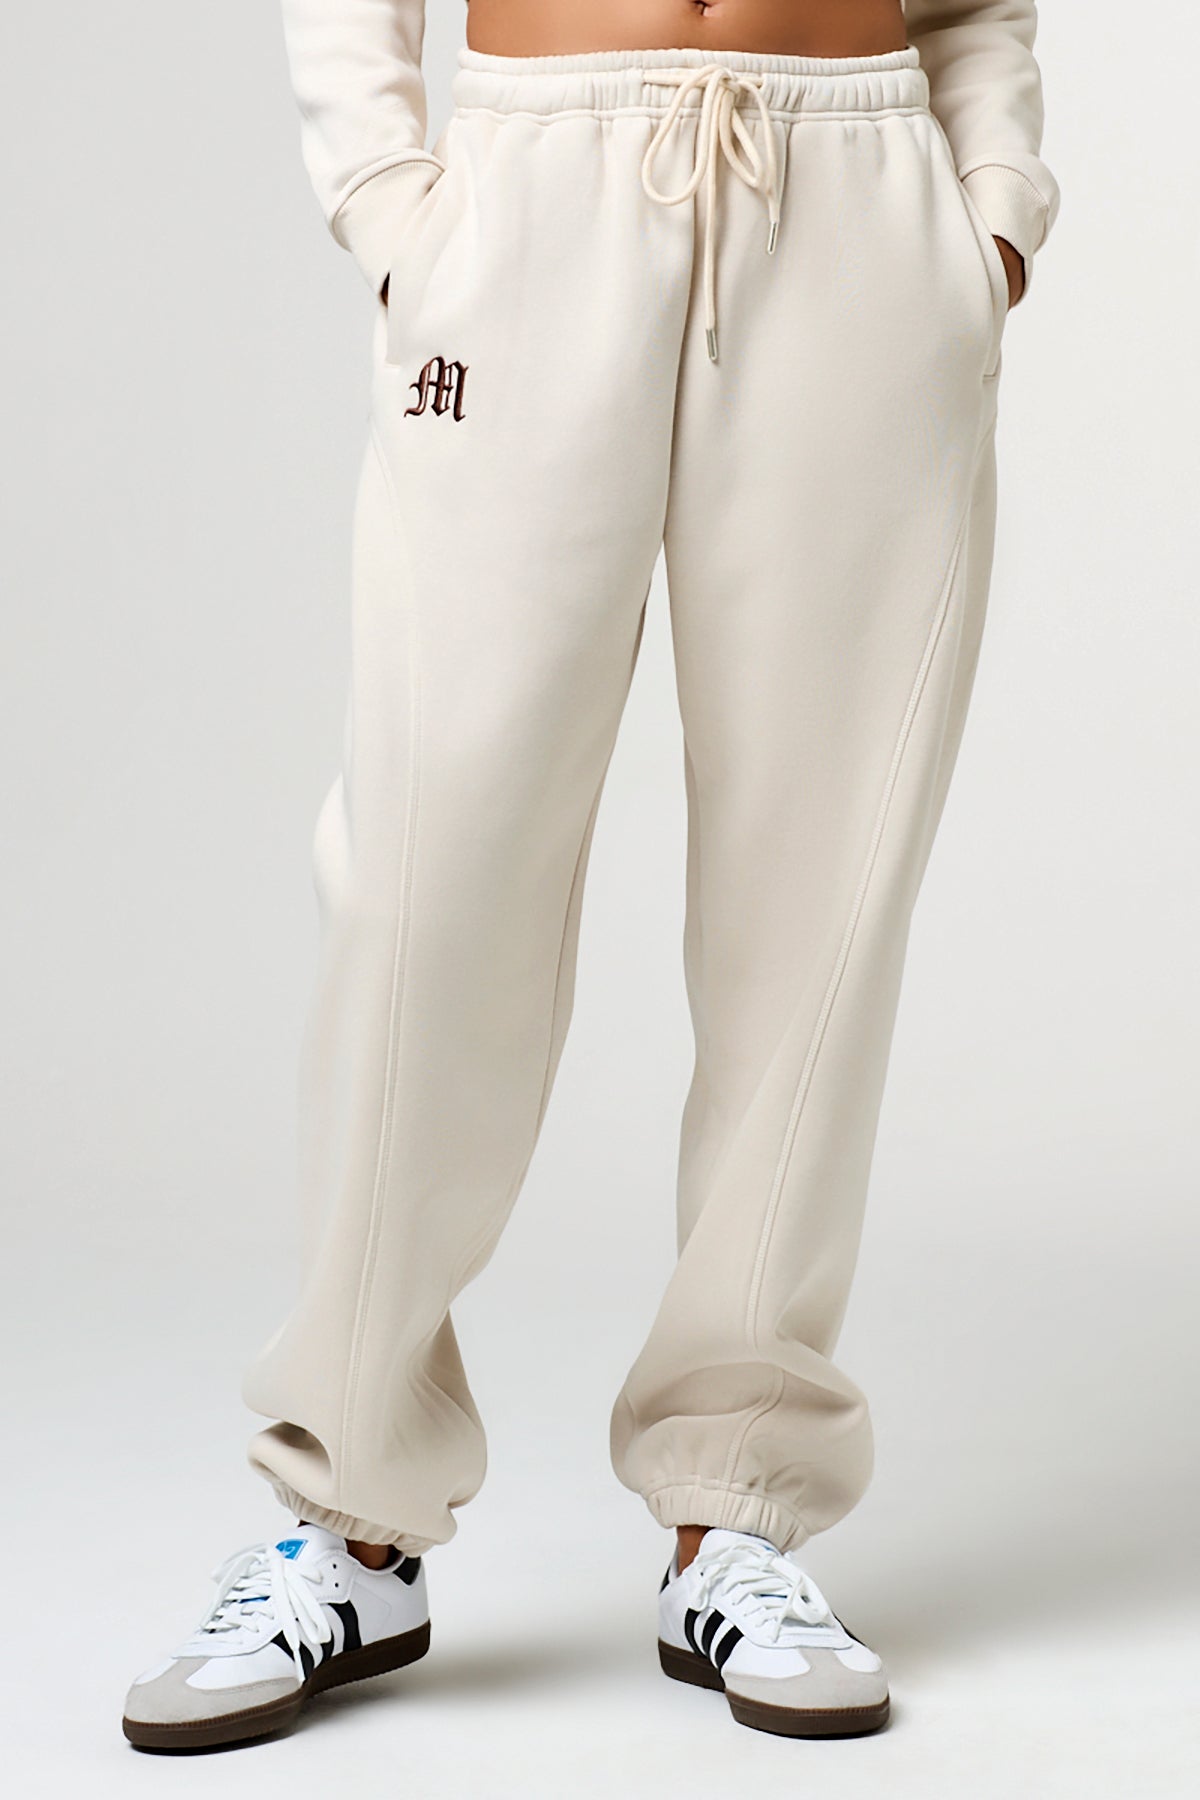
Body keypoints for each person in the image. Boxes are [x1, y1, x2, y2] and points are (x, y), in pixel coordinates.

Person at [122, 0, 1059, 1750]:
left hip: (856, 196)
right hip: (535, 198)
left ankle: (739, 1507)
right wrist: (392, 202)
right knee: (427, 879)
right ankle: (351, 1512)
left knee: (818, 898)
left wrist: (989, 210)